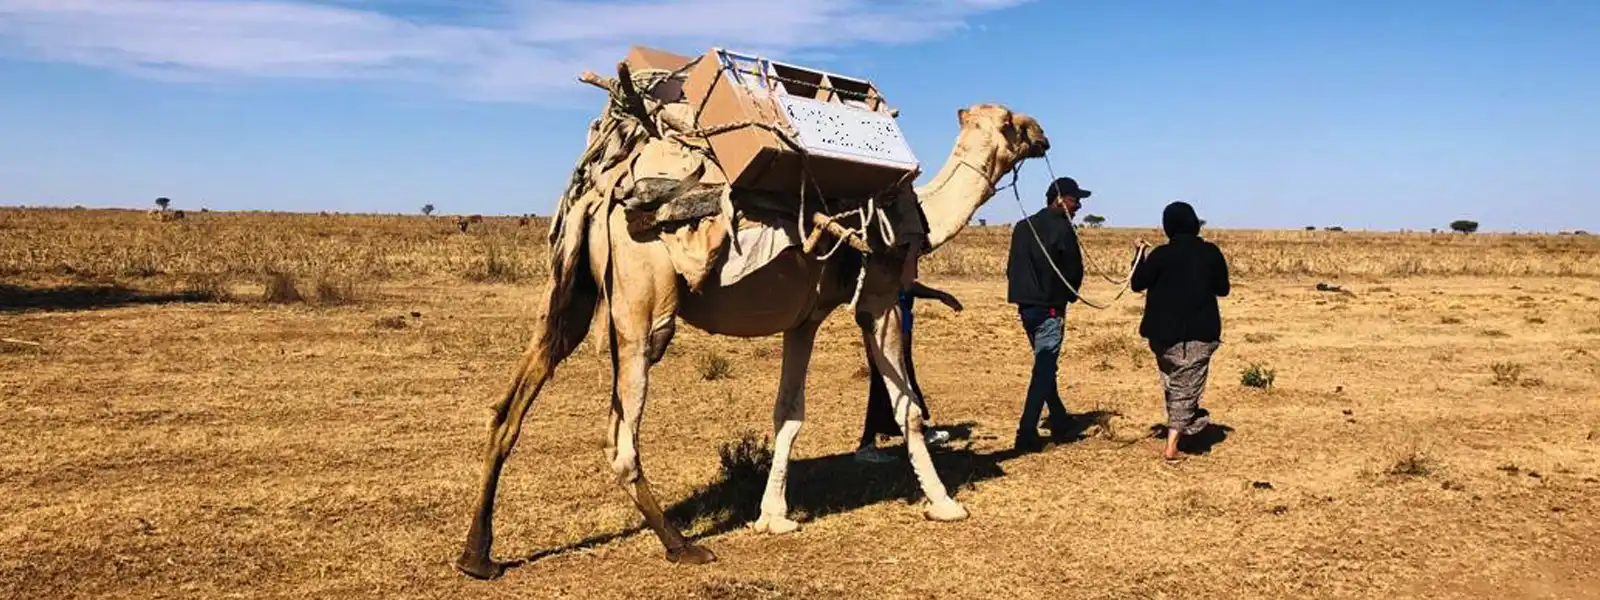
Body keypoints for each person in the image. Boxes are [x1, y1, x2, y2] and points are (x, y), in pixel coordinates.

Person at [1130, 201, 1230, 464]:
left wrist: (1139, 255)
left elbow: (1137, 283)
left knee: (1176, 385)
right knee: (1186, 387)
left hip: (1162, 335)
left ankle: (1188, 424)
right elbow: (1223, 289)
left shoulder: (1160, 255)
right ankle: (1173, 445)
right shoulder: (1210, 253)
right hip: (1199, 332)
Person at [1004, 177, 1088, 452]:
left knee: (1045, 365)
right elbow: (1074, 269)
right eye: (1076, 200)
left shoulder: (1021, 227)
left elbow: (1012, 268)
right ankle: (1026, 430)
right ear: (1060, 199)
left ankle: (1060, 418)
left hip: (1026, 307)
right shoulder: (1063, 228)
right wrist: (1068, 296)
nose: (1079, 206)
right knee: (1044, 368)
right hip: (1050, 307)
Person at [854, 281, 962, 464]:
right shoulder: (881, 265)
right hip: (884, 319)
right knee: (885, 381)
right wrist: (939, 295)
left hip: (897, 316)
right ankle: (868, 443)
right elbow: (905, 283)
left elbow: (906, 284)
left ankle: (914, 431)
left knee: (899, 378)